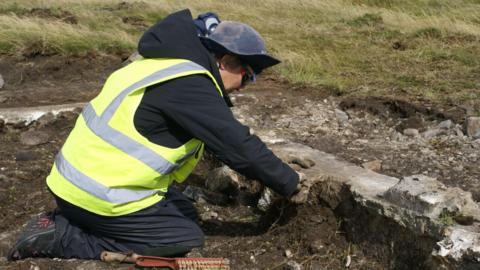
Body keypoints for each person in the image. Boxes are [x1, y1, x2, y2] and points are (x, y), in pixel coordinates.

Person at [8, 9, 299, 261]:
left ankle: (78, 219)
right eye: (249, 76)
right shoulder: (190, 85)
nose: (247, 85)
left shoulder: (161, 65)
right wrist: (290, 182)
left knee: (184, 209)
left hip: (76, 182)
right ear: (225, 61)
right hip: (96, 193)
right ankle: (60, 235)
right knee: (183, 238)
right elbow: (236, 144)